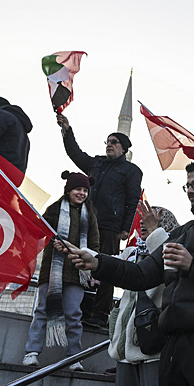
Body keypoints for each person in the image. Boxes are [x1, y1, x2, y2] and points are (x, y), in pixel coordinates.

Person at [61, 161, 194, 386]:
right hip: (173, 344)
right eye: (187, 185)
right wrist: (98, 262)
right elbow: (141, 274)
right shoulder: (182, 233)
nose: (190, 190)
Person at [56, 113, 143, 328]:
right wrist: (67, 130)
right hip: (87, 223)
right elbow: (74, 153)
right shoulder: (97, 163)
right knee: (79, 264)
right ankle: (79, 309)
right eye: (108, 142)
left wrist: (125, 229)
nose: (109, 145)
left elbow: (133, 200)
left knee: (106, 268)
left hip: (111, 226)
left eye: (114, 142)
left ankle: (100, 312)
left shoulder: (131, 171)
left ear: (123, 148)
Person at [22, 171, 100, 371]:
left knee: (73, 313)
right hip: (52, 269)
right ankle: (31, 352)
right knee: (42, 310)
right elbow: (40, 231)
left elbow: (95, 244)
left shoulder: (90, 215)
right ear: (68, 190)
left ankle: (74, 357)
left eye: (85, 190)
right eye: (78, 189)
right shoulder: (54, 210)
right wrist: (53, 242)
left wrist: (87, 258)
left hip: (77, 272)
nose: (81, 193)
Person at [108, 201, 179, 386]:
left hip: (154, 348)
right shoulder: (131, 253)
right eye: (142, 220)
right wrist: (80, 253)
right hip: (125, 350)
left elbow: (167, 262)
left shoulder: (176, 247)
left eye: (151, 219)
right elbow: (109, 265)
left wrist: (155, 232)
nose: (143, 224)